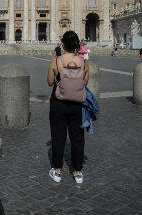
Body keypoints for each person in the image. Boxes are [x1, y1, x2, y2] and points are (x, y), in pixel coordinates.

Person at [47, 31, 89, 184]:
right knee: (77, 137)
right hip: (77, 104)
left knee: (58, 137)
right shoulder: (84, 62)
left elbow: (50, 82)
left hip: (59, 103)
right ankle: (78, 172)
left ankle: (57, 171)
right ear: (77, 45)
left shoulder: (56, 61)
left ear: (63, 45)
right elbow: (84, 83)